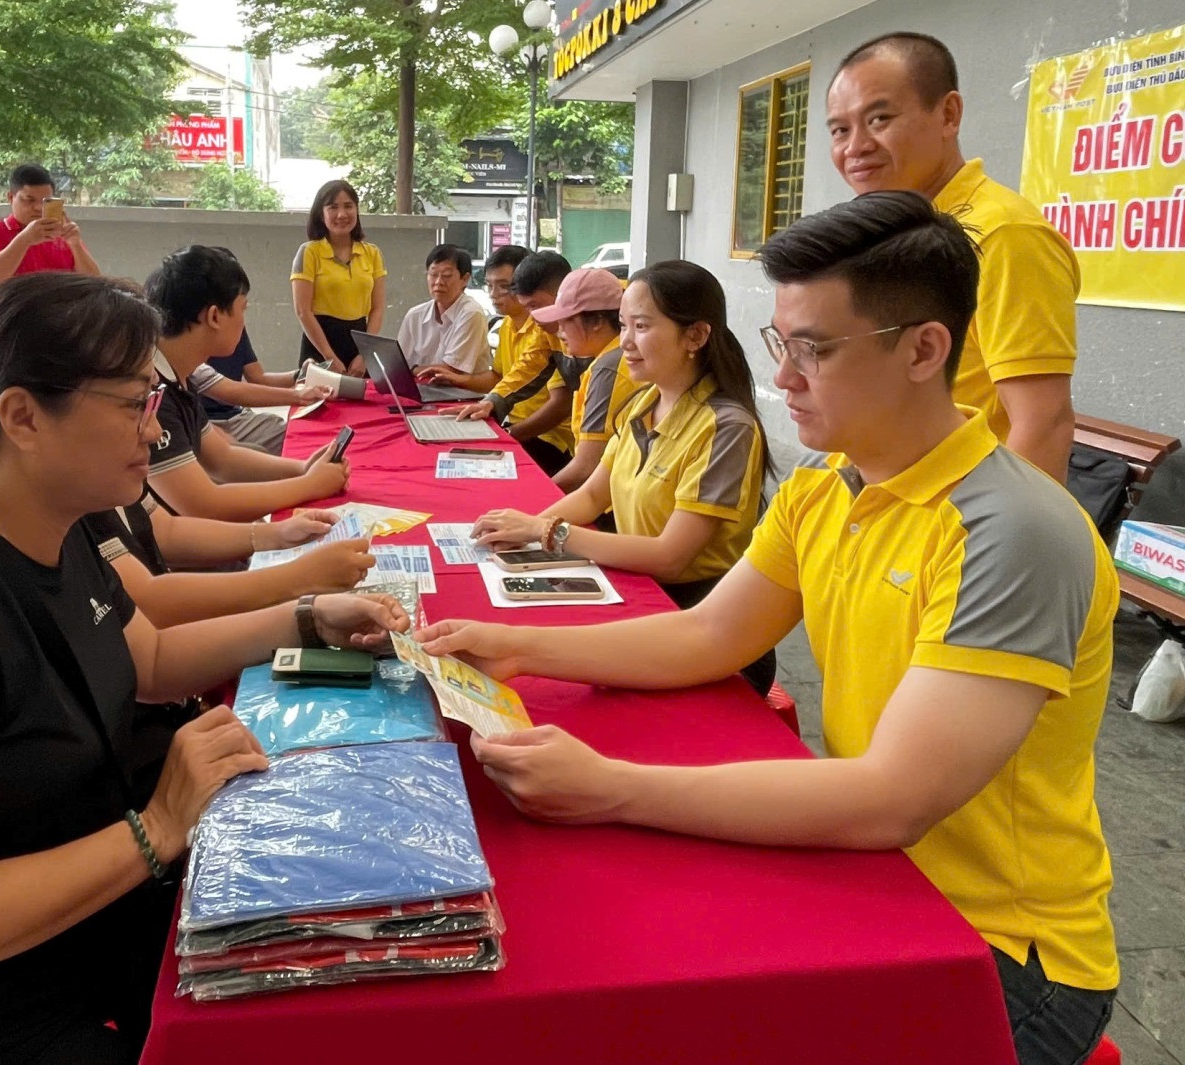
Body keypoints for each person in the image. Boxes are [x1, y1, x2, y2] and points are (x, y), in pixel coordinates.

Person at [418, 193, 1120, 1065]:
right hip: (875, 876)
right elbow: (708, 635)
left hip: (998, 948)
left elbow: (894, 796)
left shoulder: (1014, 531)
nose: (784, 375)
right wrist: (515, 644)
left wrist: (612, 786)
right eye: (782, 343)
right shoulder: (828, 486)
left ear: (925, 349)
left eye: (815, 349)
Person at [0, 272, 408, 1065]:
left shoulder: (53, 521)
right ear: (22, 417)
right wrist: (155, 829)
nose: (154, 434)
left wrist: (306, 618)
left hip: (81, 945)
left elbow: (143, 656)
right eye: (131, 406)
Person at [471, 259, 775, 694]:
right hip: (639, 598)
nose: (626, 342)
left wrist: (547, 532)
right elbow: (594, 494)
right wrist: (522, 530)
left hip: (701, 623)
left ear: (696, 335)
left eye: (642, 327)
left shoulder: (727, 428)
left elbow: (670, 555)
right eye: (623, 325)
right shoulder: (645, 402)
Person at [826, 32, 1078, 482]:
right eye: (840, 129)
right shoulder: (888, 234)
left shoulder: (1003, 234)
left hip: (950, 522)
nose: (855, 147)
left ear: (948, 114)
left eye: (879, 118)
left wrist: (992, 542)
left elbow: (1043, 422)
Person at [146, 245, 350, 522]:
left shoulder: (179, 374)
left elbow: (223, 458)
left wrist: (304, 469)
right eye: (242, 308)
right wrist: (309, 484)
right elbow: (204, 505)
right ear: (215, 316)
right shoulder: (151, 389)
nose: (244, 320)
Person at [85, 489, 373, 628]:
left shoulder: (105, 473)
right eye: (136, 404)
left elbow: (166, 529)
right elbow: (148, 604)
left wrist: (276, 534)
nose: (154, 429)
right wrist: (300, 579)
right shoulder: (81, 503)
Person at [453, 250, 575, 476]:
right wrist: (491, 402)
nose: (494, 294)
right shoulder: (535, 327)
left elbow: (562, 404)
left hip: (556, 440)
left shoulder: (603, 354)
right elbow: (527, 367)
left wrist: (509, 434)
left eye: (504, 286)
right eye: (489, 285)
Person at [532, 267, 639, 493]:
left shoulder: (609, 368)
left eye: (565, 323)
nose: (560, 333)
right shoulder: (610, 359)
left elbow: (586, 467)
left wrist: (538, 498)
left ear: (598, 320)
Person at [291, 179, 386, 377]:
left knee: (361, 406)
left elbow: (377, 309)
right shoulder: (309, 252)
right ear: (321, 213)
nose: (342, 214)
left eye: (348, 206)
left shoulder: (373, 253)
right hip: (319, 346)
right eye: (333, 207)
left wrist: (364, 354)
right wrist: (329, 356)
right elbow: (303, 310)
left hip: (359, 347)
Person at [189, 329, 330, 454]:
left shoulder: (199, 369)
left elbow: (256, 378)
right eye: (242, 308)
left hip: (235, 418)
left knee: (286, 433)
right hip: (209, 428)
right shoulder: (186, 367)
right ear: (214, 316)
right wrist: (298, 396)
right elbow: (233, 392)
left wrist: (299, 376)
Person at [0, 163, 101, 286]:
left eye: (46, 201)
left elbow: (94, 283)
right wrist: (24, 240)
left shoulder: (62, 235)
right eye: (29, 200)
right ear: (11, 197)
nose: (39, 207)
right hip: (18, 308)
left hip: (65, 308)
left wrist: (75, 245)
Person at [397, 243, 495, 386]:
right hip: (422, 391)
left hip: (462, 396)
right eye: (433, 274)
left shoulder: (471, 313)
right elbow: (397, 364)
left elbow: (450, 371)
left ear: (465, 279)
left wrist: (411, 370)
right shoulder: (415, 315)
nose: (438, 282)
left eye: (447, 276)